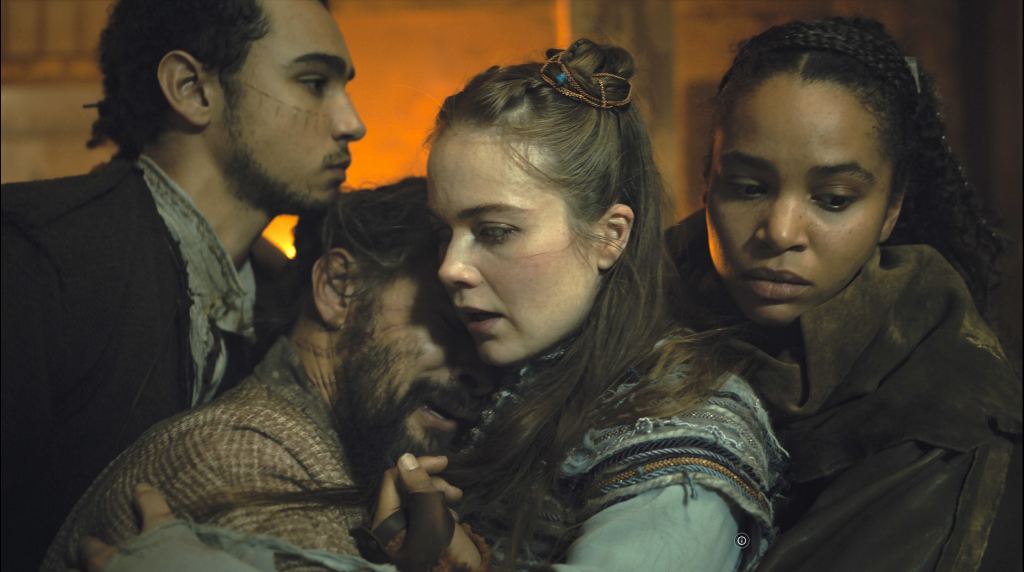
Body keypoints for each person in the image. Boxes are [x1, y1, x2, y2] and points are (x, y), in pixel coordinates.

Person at [369, 39, 786, 572]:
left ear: (610, 235)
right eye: (443, 233)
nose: (451, 267)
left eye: (494, 231)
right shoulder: (523, 379)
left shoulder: (680, 447)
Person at [0, 0, 365, 567]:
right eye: (314, 82)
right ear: (191, 89)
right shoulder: (36, 258)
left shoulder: (287, 300)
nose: (352, 123)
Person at [667, 17, 1022, 572]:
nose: (781, 232)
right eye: (749, 187)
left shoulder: (948, 420)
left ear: (891, 210)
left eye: (833, 199)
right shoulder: (623, 308)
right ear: (707, 181)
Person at [43, 179, 497, 572]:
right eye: (452, 326)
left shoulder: (312, 458)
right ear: (339, 288)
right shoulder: (245, 466)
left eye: (492, 350)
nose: (482, 375)